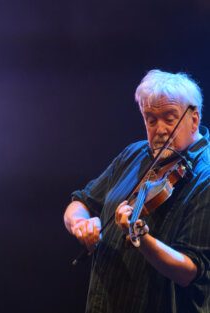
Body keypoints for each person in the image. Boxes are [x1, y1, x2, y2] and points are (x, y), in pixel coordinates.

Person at [64, 69, 210, 312]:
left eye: (169, 118)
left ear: (193, 119)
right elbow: (80, 201)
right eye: (151, 119)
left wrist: (141, 238)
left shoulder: (205, 178)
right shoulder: (134, 154)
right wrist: (80, 223)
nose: (160, 129)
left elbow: (190, 271)